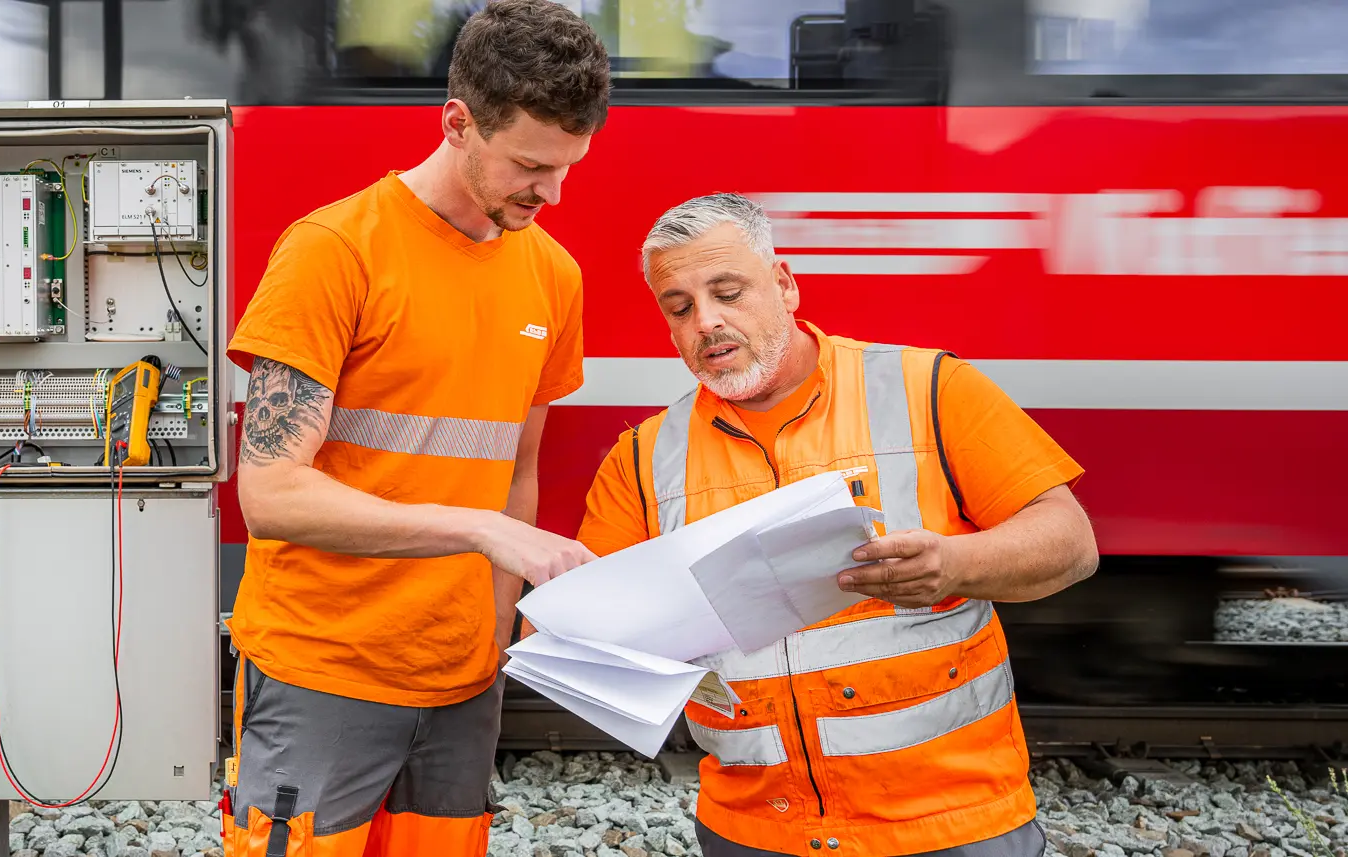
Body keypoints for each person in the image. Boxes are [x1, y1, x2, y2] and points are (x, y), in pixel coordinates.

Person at [576, 193, 1099, 857]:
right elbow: (582, 635)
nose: (706, 322)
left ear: (786, 284)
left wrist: (956, 563)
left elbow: (1071, 542)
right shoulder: (645, 457)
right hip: (756, 832)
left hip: (953, 824)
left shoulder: (928, 388)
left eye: (728, 292)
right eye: (678, 307)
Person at [216, 1, 611, 853]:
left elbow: (516, 473)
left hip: (464, 682)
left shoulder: (554, 276)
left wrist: (495, 644)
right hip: (324, 668)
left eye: (569, 166)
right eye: (530, 165)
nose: (552, 191)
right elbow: (271, 494)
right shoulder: (333, 250)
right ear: (457, 123)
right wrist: (478, 530)